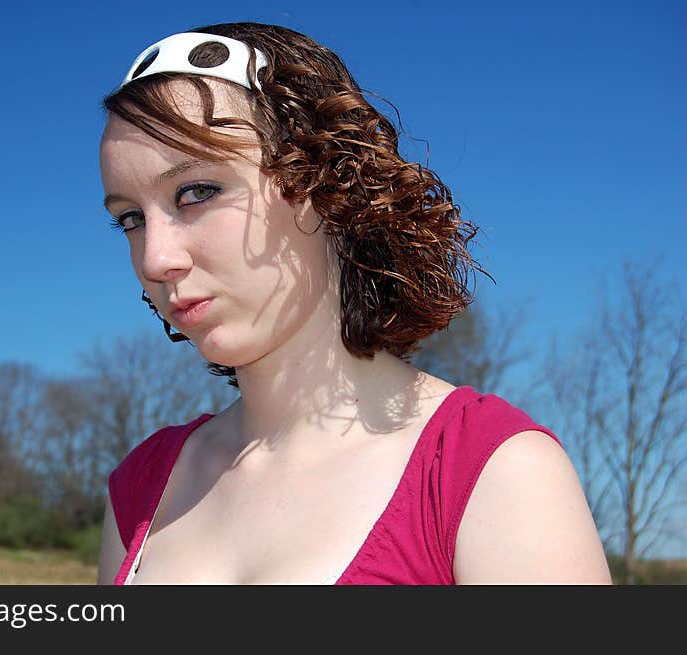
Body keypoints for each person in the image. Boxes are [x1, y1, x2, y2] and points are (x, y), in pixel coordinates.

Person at [95, 22, 612, 585]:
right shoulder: (140, 491)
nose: (154, 258)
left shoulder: (493, 473)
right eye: (131, 218)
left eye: (197, 192)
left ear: (323, 185)